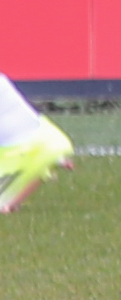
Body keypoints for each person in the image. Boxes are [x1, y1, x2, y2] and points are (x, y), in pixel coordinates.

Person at [0, 75, 72, 214]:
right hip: (45, 142)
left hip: (32, 145)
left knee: (42, 160)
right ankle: (8, 203)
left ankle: (8, 203)